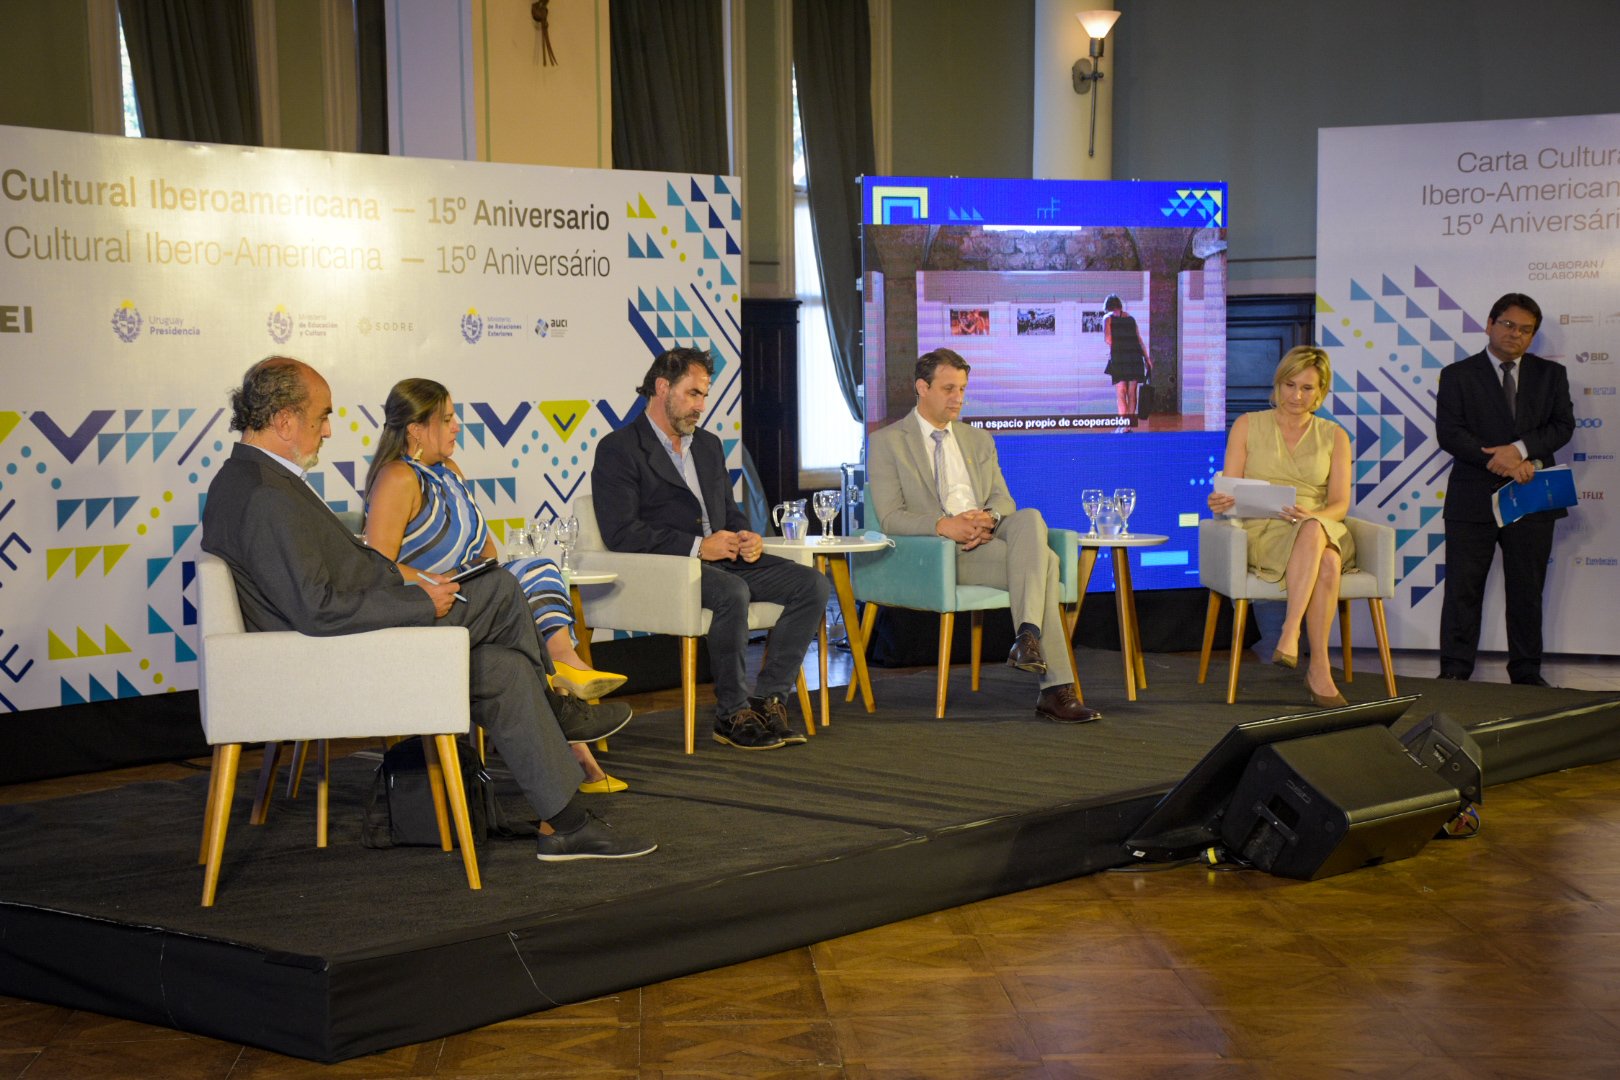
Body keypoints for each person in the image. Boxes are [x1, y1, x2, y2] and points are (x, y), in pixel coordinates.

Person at [200, 356, 655, 860]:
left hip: (341, 641)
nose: (328, 430)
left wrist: (412, 589)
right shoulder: (264, 494)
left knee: (502, 669)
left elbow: (337, 581)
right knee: (502, 591)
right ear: (284, 421)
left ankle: (565, 825)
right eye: (321, 417)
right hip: (330, 659)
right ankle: (559, 709)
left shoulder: (256, 481)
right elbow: (317, 609)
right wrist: (416, 603)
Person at [363, 377, 629, 794]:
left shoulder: (449, 472)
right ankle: (569, 709)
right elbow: (379, 566)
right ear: (415, 428)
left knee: (536, 567)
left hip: (474, 595)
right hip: (433, 608)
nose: (457, 427)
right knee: (513, 597)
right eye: (447, 419)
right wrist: (443, 579)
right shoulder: (397, 478)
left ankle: (566, 672)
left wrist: (478, 572)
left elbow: (486, 546)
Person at [592, 347, 830, 751]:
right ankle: (731, 715)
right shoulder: (619, 449)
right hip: (669, 570)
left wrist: (745, 536)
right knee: (732, 594)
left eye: (704, 395)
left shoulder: (707, 445)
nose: (701, 405)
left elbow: (727, 512)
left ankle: (768, 699)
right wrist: (700, 547)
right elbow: (622, 533)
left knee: (812, 585)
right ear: (662, 387)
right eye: (693, 394)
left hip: (725, 559)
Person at [867, 348, 1101, 723]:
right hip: (943, 550)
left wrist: (987, 518)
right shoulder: (888, 442)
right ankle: (1055, 690)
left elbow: (1003, 500)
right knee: (1048, 563)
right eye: (948, 389)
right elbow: (891, 518)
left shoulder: (978, 439)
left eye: (962, 389)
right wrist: (947, 525)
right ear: (921, 388)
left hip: (989, 533)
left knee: (1029, 518)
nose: (958, 398)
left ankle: (1027, 637)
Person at [1435, 293, 1574, 686]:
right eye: (1509, 324)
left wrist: (1519, 450)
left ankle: (1527, 673)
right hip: (1471, 497)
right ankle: (1455, 671)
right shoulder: (1457, 374)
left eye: (1526, 330)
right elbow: (1449, 433)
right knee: (1463, 589)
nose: (1516, 334)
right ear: (1490, 324)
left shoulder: (1551, 376)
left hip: (1531, 495)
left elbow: (1562, 426)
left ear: (1532, 336)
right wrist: (1495, 460)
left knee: (1527, 591)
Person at [1206, 346, 1356, 708]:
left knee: (1315, 530)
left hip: (1320, 524)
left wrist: (1314, 518)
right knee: (1329, 563)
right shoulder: (1247, 424)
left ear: (1320, 392)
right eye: (1290, 385)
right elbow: (1230, 487)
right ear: (1278, 385)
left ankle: (1290, 634)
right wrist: (1221, 501)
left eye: (1308, 388)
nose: (1297, 396)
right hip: (1265, 529)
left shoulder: (1334, 436)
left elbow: (1339, 503)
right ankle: (1318, 667)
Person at [1102, 294, 1152, 419]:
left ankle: (1122, 424)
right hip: (1135, 358)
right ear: (1119, 305)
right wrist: (1147, 358)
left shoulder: (1108, 318)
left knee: (1121, 393)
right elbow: (1139, 340)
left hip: (1119, 358)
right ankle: (1129, 425)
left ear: (1107, 306)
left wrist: (1119, 344)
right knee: (1132, 393)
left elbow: (1108, 339)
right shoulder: (1131, 319)